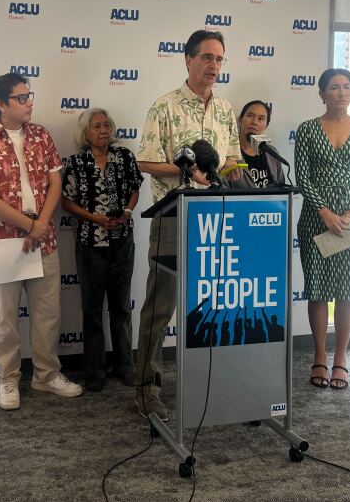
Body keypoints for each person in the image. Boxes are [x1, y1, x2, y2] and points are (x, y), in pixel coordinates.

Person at [134, 29, 241, 420]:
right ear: (188, 60)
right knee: (160, 307)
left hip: (215, 220)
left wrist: (227, 172)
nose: (214, 66)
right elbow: (146, 161)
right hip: (172, 215)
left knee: (212, 306)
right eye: (207, 58)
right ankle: (146, 389)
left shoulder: (226, 110)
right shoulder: (164, 107)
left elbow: (229, 159)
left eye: (219, 59)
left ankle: (211, 381)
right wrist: (187, 170)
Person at [0, 73, 84, 410]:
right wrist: (27, 225)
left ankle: (46, 375)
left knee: (48, 313)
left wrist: (41, 224)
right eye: (21, 97)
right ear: (1, 104)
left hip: (42, 237)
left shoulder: (42, 136)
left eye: (29, 96)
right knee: (4, 316)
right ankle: (7, 378)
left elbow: (55, 183)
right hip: (3, 240)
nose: (29, 102)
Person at [294, 68, 350, 390]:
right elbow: (303, 177)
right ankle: (319, 356)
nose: (341, 93)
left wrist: (348, 212)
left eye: (347, 87)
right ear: (322, 93)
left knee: (347, 290)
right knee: (317, 289)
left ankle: (341, 358)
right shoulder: (307, 129)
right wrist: (325, 212)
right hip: (317, 218)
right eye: (334, 87)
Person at [61, 108, 142, 392]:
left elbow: (135, 187)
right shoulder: (75, 162)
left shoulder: (125, 157)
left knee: (121, 307)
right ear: (85, 133)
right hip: (89, 243)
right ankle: (94, 371)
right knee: (92, 310)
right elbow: (66, 202)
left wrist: (128, 210)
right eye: (96, 126)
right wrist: (95, 218)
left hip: (122, 242)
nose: (103, 130)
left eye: (107, 125)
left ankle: (126, 366)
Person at [236, 100, 286, 188]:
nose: (254, 122)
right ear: (240, 119)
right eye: (250, 116)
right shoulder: (230, 154)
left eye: (260, 119)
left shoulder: (272, 152)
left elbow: (281, 186)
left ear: (266, 126)